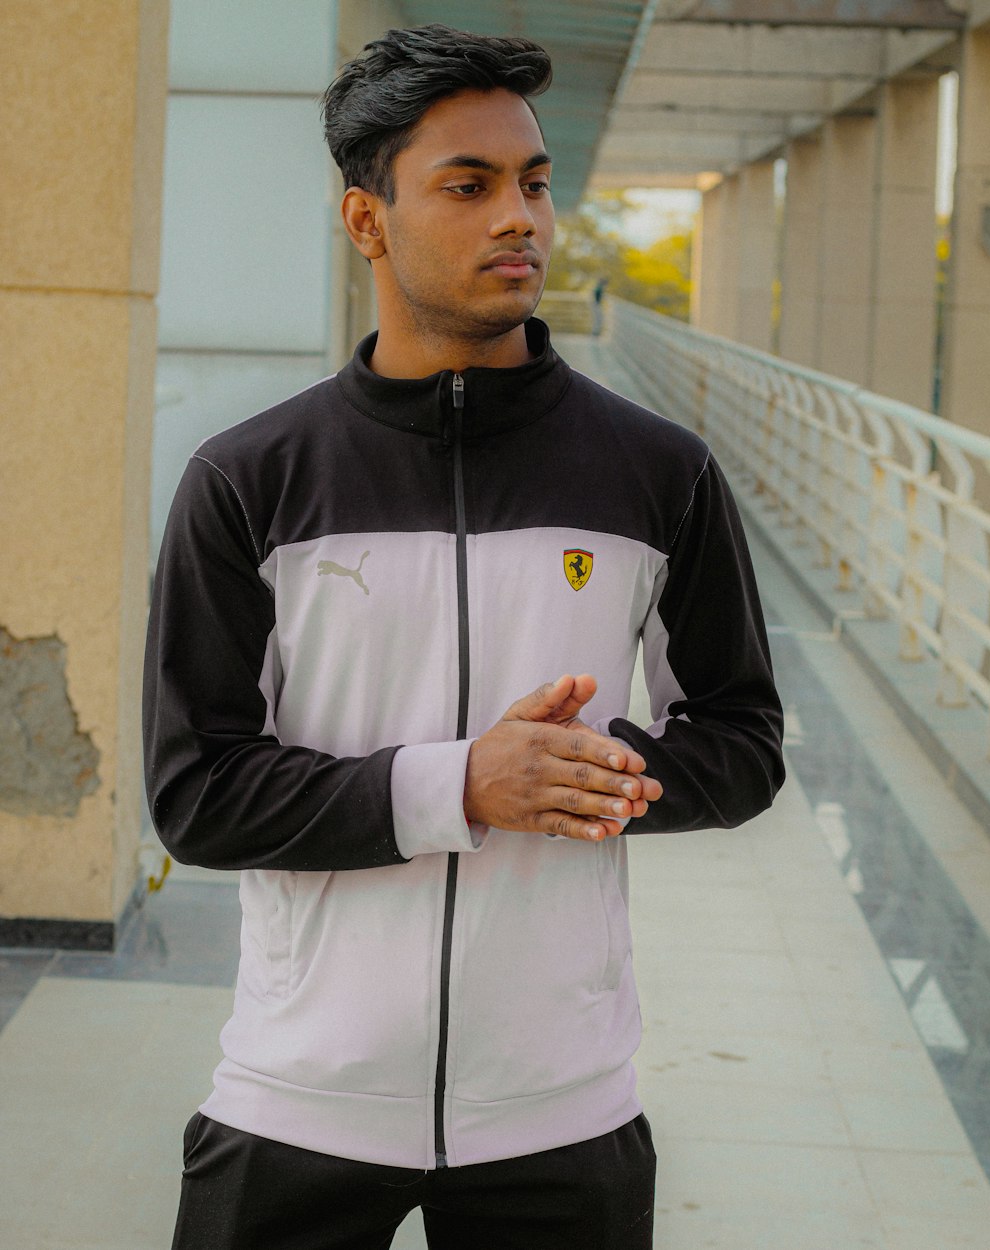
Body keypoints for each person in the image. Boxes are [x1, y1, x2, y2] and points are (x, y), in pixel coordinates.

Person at [143, 24, 784, 1250]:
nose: (521, 218)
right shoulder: (248, 480)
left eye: (534, 184)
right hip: (297, 1096)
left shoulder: (659, 474)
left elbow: (745, 741)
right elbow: (196, 792)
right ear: (365, 219)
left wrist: (589, 775)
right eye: (468, 184)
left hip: (561, 1107)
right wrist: (463, 783)